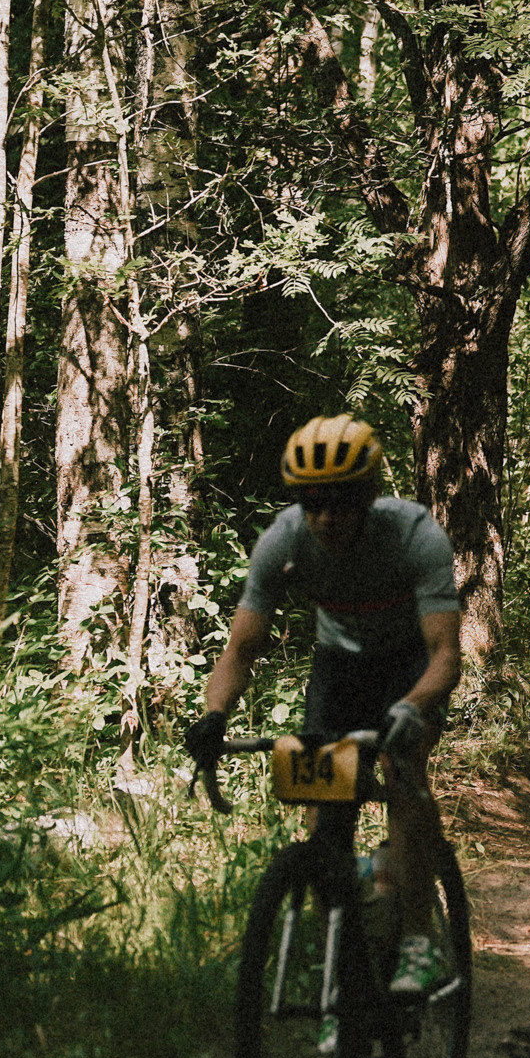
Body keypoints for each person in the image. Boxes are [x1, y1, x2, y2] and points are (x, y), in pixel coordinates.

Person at [186, 415, 463, 997]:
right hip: (339, 668)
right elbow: (241, 648)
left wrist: (412, 707)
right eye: (312, 504)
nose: (324, 518)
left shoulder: (415, 535)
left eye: (340, 503)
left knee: (402, 771)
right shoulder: (283, 541)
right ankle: (343, 956)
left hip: (410, 666)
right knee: (322, 800)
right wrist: (214, 716)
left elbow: (444, 655)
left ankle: (418, 940)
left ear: (367, 498)